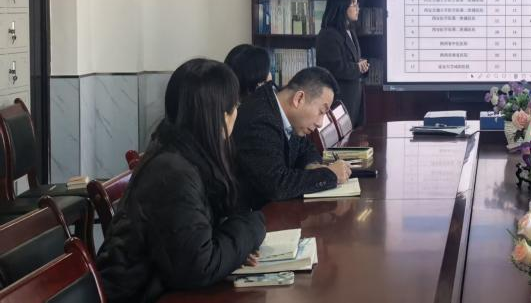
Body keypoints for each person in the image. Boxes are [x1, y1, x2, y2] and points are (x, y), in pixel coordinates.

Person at [96, 59, 266, 303]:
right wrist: (251, 229)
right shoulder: (173, 173)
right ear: (220, 117)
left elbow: (198, 238)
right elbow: (199, 267)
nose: (237, 113)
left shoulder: (182, 152)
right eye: (235, 106)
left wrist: (233, 249)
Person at [233, 66, 351, 208]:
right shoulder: (260, 118)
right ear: (299, 98)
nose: (320, 123)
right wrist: (329, 174)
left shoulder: (284, 110)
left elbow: (306, 148)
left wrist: (312, 166)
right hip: (252, 213)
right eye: (321, 112)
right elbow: (276, 185)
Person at [316, 0, 368, 128]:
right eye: (354, 4)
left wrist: (361, 65)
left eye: (357, 4)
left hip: (354, 99)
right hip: (340, 101)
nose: (358, 8)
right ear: (342, 7)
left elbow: (350, 60)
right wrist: (357, 67)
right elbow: (333, 68)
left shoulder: (349, 30)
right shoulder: (328, 35)